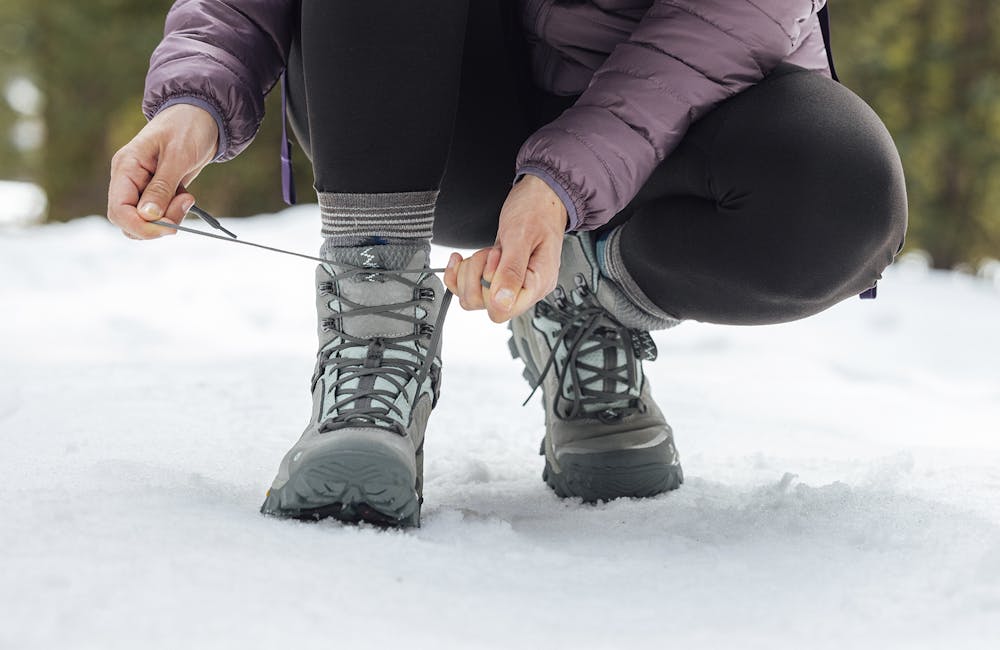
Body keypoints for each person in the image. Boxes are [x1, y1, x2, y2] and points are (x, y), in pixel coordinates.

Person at [106, 1, 907, 527]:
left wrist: (562, 186)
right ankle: (375, 320)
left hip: (685, 123)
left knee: (842, 194)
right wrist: (198, 96)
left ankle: (590, 297)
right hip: (434, 110)